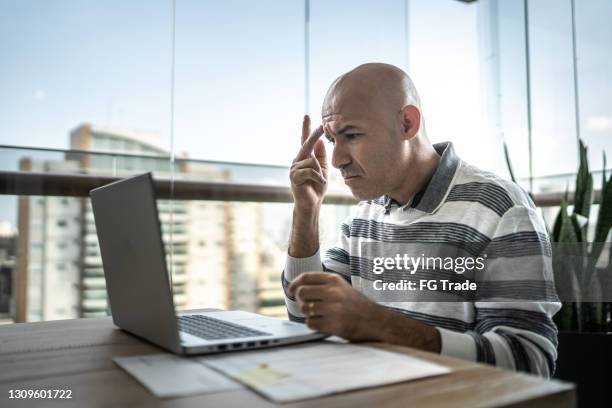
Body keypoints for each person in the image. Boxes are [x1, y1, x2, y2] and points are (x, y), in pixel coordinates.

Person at [283, 63, 560, 378]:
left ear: (407, 123)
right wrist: (306, 211)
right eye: (333, 140)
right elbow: (304, 314)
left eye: (352, 135)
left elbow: (530, 363)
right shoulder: (366, 213)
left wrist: (381, 325)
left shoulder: (500, 209)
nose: (336, 160)